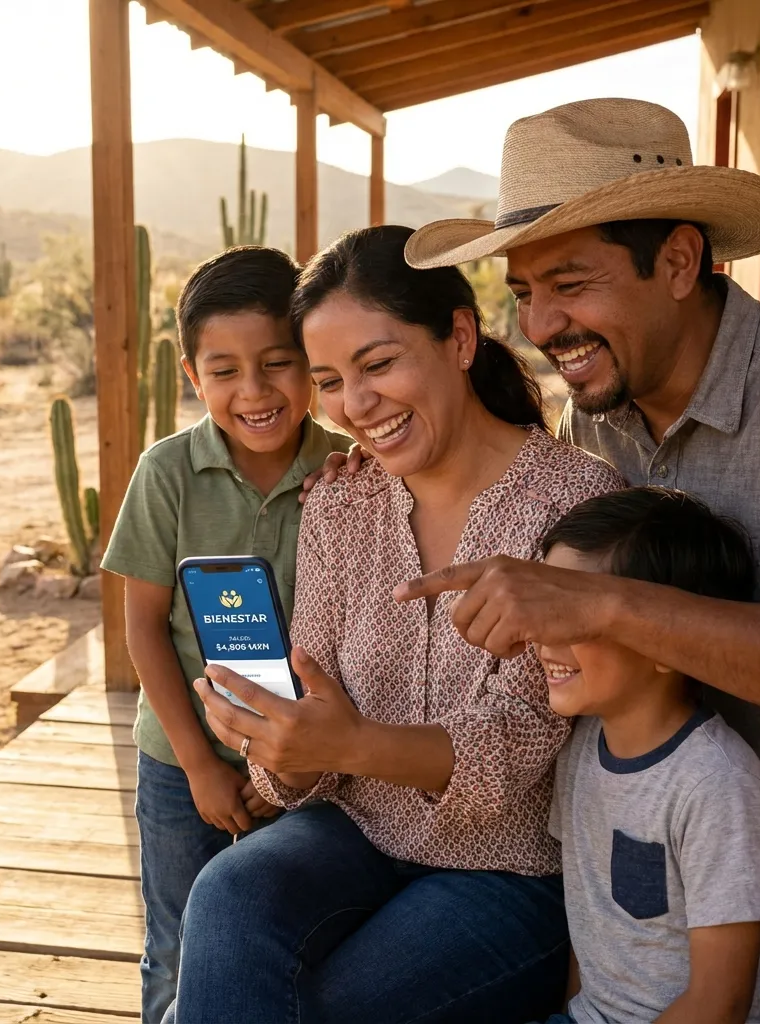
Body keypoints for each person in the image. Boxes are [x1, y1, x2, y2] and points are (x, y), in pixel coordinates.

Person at [392, 97, 760, 1019]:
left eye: (571, 282)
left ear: (679, 261)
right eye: (522, 292)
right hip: (629, 836)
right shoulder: (595, 415)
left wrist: (601, 606)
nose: (541, 325)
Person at [162, 225, 623, 1024]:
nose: (355, 405)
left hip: (509, 869)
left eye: (377, 365)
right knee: (229, 889)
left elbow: (516, 742)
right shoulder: (340, 501)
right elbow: (311, 714)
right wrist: (277, 745)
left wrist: (345, 744)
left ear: (460, 338)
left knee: (321, 1008)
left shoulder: (575, 506)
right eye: (329, 381)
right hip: (354, 831)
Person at [99, 245, 353, 1022]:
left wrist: (293, 768)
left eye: (278, 363)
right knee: (177, 943)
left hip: (309, 763)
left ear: (310, 360)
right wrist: (199, 767)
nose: (254, 392)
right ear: (191, 374)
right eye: (224, 371)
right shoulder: (166, 472)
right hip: (181, 760)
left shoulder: (350, 471)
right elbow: (144, 627)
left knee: (283, 940)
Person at [533, 487, 760, 1024]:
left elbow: (719, 1005)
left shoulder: (719, 789)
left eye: (572, 615)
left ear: (667, 643)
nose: (542, 634)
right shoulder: (580, 749)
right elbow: (591, 938)